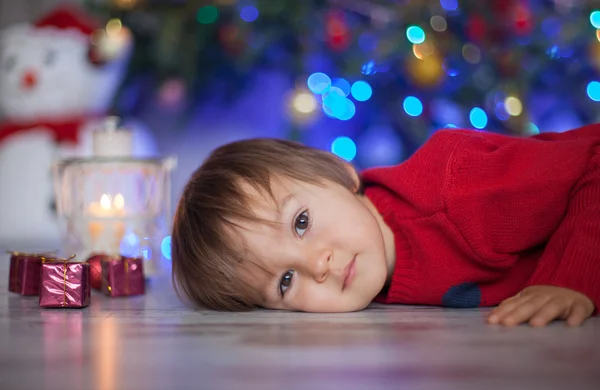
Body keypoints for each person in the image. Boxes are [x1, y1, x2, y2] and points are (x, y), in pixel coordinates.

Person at [171, 124, 600, 327]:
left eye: (301, 222)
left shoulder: (461, 192)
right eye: (285, 282)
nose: (317, 265)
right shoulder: (380, 283)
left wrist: (569, 279)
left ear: (339, 172)